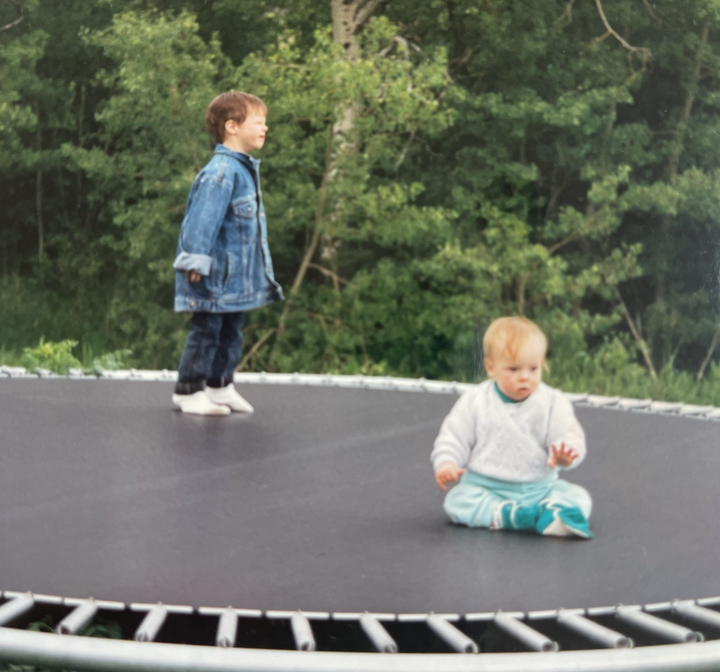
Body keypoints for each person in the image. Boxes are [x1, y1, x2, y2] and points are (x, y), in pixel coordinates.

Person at [171, 91, 284, 415]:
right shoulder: (221, 172)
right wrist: (195, 262)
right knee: (207, 330)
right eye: (259, 123)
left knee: (232, 330)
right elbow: (201, 221)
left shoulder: (243, 170)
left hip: (236, 278)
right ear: (232, 126)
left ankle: (219, 385)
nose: (265, 129)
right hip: (215, 274)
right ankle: (189, 389)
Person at [431, 316, 593, 538]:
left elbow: (569, 435)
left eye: (533, 368)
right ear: (491, 367)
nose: (524, 377)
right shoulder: (476, 401)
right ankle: (512, 515)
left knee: (579, 497)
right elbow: (453, 436)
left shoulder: (553, 402)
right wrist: (446, 463)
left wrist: (566, 456)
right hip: (488, 488)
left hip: (539, 489)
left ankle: (547, 510)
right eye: (514, 369)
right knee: (457, 501)